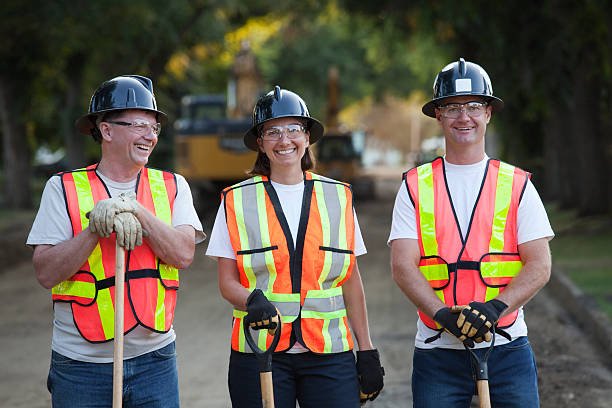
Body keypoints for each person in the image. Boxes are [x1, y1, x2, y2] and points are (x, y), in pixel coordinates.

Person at [27, 75, 205, 407]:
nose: (149, 136)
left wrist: (138, 212)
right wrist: (93, 231)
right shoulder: (61, 188)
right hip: (80, 364)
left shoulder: (172, 185)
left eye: (154, 128)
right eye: (139, 126)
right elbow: (46, 273)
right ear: (106, 130)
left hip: (155, 361)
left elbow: (183, 255)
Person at [389, 58, 554, 407]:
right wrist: (441, 314)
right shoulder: (414, 185)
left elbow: (539, 265)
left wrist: (496, 307)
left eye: (474, 106)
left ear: (489, 113)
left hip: (507, 349)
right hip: (437, 353)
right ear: (438, 115)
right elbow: (403, 266)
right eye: (452, 107)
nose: (464, 117)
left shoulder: (518, 184)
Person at [206, 86, 385, 407]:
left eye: (293, 130)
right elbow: (226, 281)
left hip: (330, 354)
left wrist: (367, 349)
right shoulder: (235, 200)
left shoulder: (338, 196)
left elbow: (351, 281)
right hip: (260, 352)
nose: (284, 140)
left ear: (307, 137)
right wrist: (251, 299)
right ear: (260, 143)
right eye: (272, 132)